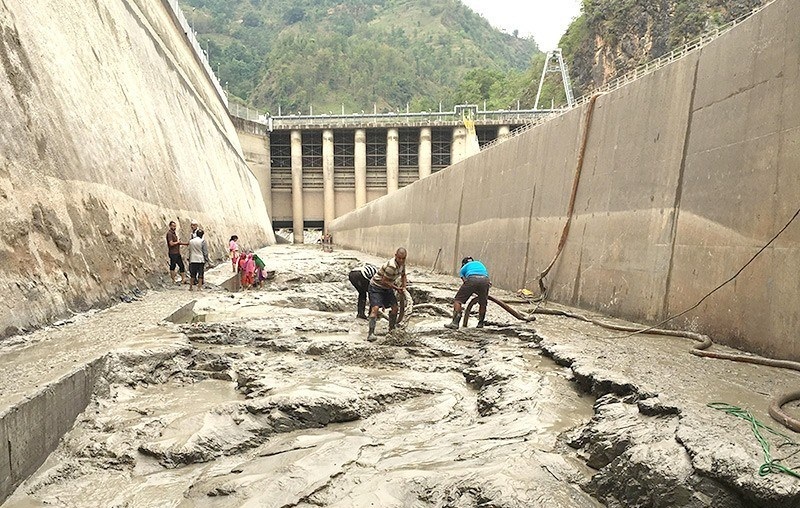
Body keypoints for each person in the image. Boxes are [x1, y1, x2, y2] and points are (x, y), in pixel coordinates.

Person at [367, 248, 407, 341]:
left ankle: (391, 330)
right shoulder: (391, 266)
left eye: (403, 258)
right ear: (395, 256)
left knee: (395, 308)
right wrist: (397, 288)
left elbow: (403, 275)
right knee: (375, 309)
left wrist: (404, 287)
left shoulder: (402, 264)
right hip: (376, 286)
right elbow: (384, 281)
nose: (401, 260)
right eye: (399, 258)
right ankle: (371, 333)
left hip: (388, 287)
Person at [445, 256, 491, 329]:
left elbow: (465, 281)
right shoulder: (479, 263)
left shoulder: (463, 268)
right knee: (483, 303)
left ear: (463, 264)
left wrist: (471, 290)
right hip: (485, 280)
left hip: (472, 279)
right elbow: (486, 277)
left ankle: (455, 323)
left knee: (458, 300)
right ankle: (480, 323)